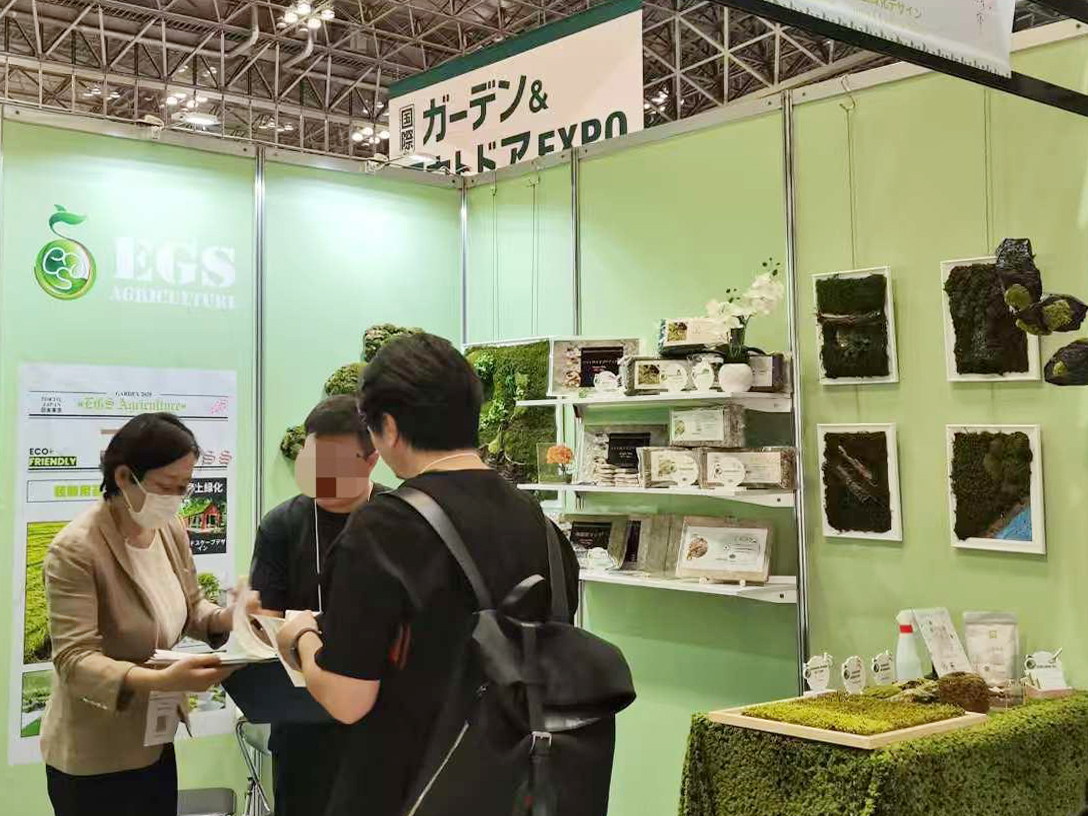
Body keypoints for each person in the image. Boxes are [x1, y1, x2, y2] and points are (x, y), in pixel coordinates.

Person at [275, 333, 580, 816]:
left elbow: (348, 698)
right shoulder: (543, 527)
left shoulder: (383, 529)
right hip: (521, 789)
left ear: (390, 428)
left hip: (407, 790)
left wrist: (301, 638)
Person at [40, 412, 247, 816]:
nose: (176, 498)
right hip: (95, 755)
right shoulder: (76, 549)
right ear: (123, 477)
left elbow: (191, 608)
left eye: (184, 487)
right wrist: (161, 680)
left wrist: (232, 616)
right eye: (166, 486)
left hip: (155, 740)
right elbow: (74, 659)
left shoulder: (169, 529)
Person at [248, 394, 386, 816]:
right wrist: (252, 625)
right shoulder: (281, 525)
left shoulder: (397, 520)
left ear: (372, 460)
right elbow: (264, 621)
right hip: (302, 725)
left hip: (384, 725)